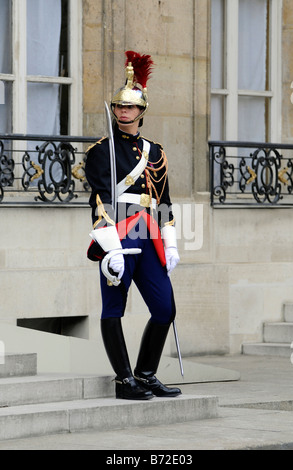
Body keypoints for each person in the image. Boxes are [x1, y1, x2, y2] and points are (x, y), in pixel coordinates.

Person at [85, 51, 181, 400]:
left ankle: (146, 373)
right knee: (114, 309)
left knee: (165, 308)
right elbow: (99, 201)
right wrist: (110, 248)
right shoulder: (101, 152)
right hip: (119, 235)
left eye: (129, 108)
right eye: (118, 107)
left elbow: (163, 201)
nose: (123, 112)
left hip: (148, 234)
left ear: (141, 111)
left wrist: (170, 243)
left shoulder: (155, 152)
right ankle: (124, 381)